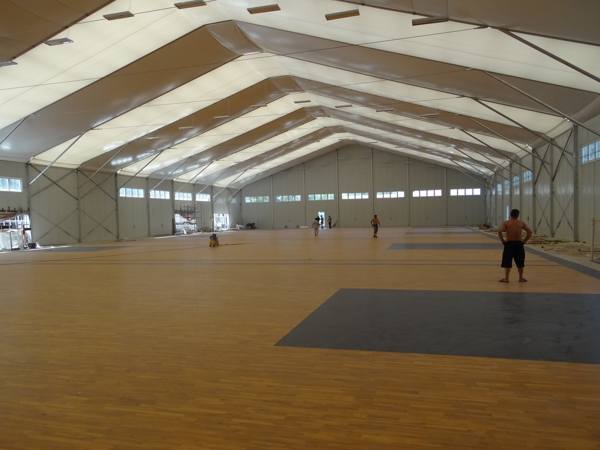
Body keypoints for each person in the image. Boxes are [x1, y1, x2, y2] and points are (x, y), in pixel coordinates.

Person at [497, 209, 532, 283]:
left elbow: (499, 231)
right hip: (519, 244)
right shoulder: (521, 223)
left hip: (509, 244)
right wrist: (524, 241)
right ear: (518, 215)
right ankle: (520, 278)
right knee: (520, 261)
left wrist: (502, 241)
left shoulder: (506, 223)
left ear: (510, 214)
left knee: (507, 261)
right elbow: (530, 232)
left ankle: (506, 278)